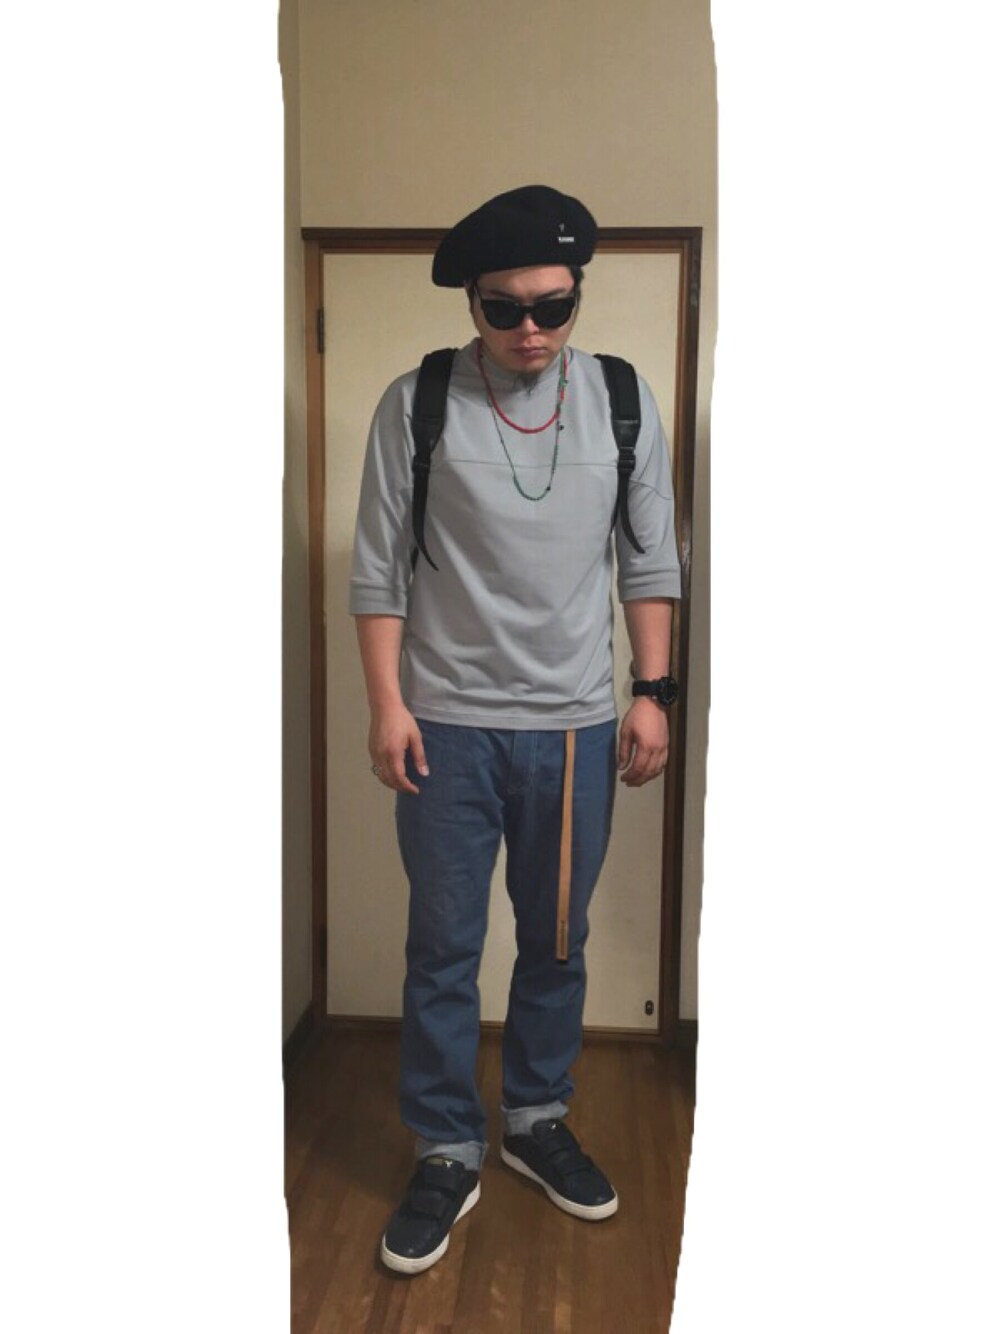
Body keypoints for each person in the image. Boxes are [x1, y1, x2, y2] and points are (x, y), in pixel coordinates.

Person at [349, 184, 682, 1275]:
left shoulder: (622, 401)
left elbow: (649, 561)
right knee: (442, 947)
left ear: (576, 295)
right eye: (504, 309)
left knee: (555, 940)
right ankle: (446, 1144)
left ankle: (535, 1118)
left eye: (553, 305)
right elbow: (378, 570)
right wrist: (387, 703)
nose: (530, 329)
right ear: (471, 304)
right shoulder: (417, 403)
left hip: (576, 727)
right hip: (446, 727)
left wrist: (653, 691)